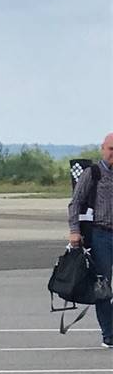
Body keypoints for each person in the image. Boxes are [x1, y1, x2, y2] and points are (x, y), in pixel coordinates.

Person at [67, 132, 113, 348]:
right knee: (102, 285)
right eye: (111, 149)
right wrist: (74, 231)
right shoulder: (92, 174)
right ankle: (109, 334)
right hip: (101, 235)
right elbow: (75, 203)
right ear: (103, 149)